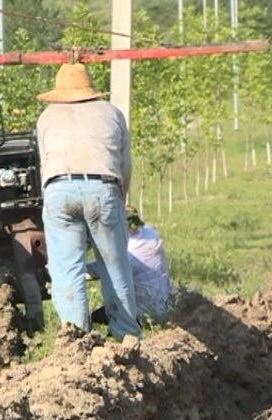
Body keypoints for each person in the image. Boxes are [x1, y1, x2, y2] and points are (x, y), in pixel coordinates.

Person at [36, 63, 141, 341]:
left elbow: (44, 164)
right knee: (114, 266)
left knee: (67, 270)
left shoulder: (47, 117)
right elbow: (124, 164)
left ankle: (77, 341)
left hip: (58, 189)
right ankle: (127, 335)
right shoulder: (111, 113)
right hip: (103, 187)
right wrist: (120, 199)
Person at [88, 206, 176, 325]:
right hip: (169, 305)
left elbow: (97, 270)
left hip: (145, 313)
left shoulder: (128, 251)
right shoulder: (151, 234)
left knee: (94, 317)